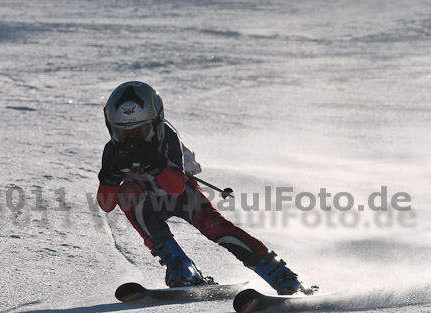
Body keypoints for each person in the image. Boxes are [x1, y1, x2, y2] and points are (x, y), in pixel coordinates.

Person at [97, 81, 305, 294]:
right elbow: (106, 205)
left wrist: (157, 164)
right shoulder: (112, 150)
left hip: (182, 194)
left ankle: (278, 272)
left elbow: (176, 187)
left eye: (140, 132)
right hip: (148, 203)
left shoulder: (167, 137)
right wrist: (110, 177)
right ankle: (179, 265)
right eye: (124, 134)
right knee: (127, 194)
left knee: (214, 226)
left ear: (157, 123)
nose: (132, 141)